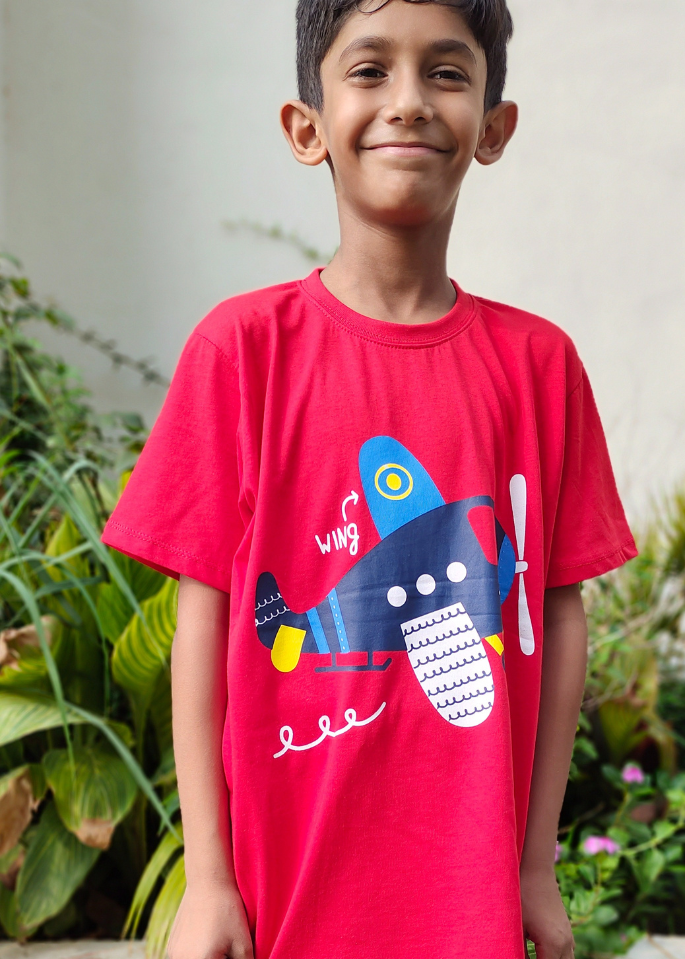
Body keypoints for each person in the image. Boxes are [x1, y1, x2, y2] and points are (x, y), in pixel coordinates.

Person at [102, 1, 638, 957]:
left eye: (445, 72)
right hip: (284, 893)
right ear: (306, 128)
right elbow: (204, 618)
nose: (407, 102)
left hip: (470, 902)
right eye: (366, 71)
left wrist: (533, 868)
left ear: (494, 126)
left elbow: (557, 618)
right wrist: (210, 881)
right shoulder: (241, 351)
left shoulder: (540, 367)